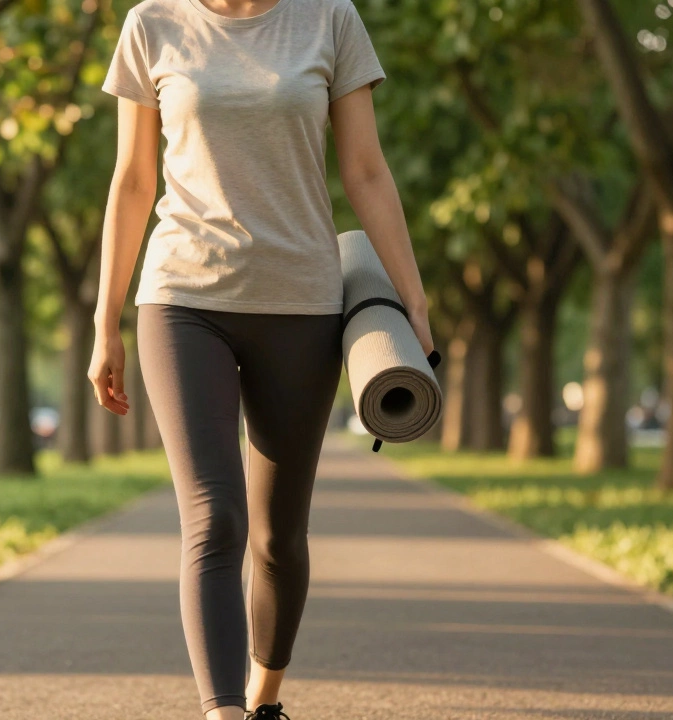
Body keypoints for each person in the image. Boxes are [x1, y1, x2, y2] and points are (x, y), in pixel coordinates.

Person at [89, 1, 434, 719]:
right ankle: (222, 712)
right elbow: (131, 180)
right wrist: (106, 320)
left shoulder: (330, 19)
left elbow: (366, 171)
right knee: (216, 520)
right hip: (182, 298)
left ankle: (263, 696)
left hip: (302, 302)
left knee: (279, 538)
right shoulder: (151, 24)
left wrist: (415, 301)